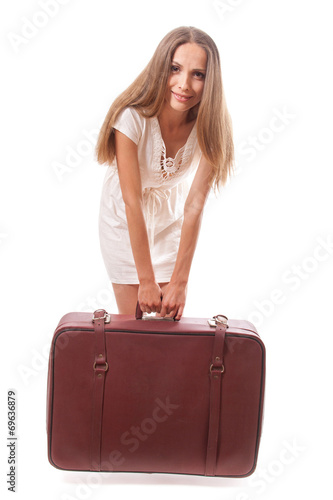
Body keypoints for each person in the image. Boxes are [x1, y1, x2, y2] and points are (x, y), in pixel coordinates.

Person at [96, 26, 234, 320]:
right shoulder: (131, 118)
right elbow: (131, 200)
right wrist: (146, 280)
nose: (184, 84)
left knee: (168, 325)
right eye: (175, 69)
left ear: (210, 81)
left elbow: (195, 205)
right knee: (134, 326)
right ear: (162, 68)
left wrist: (180, 283)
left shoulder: (210, 127)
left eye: (198, 74)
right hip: (123, 218)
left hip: (169, 219)